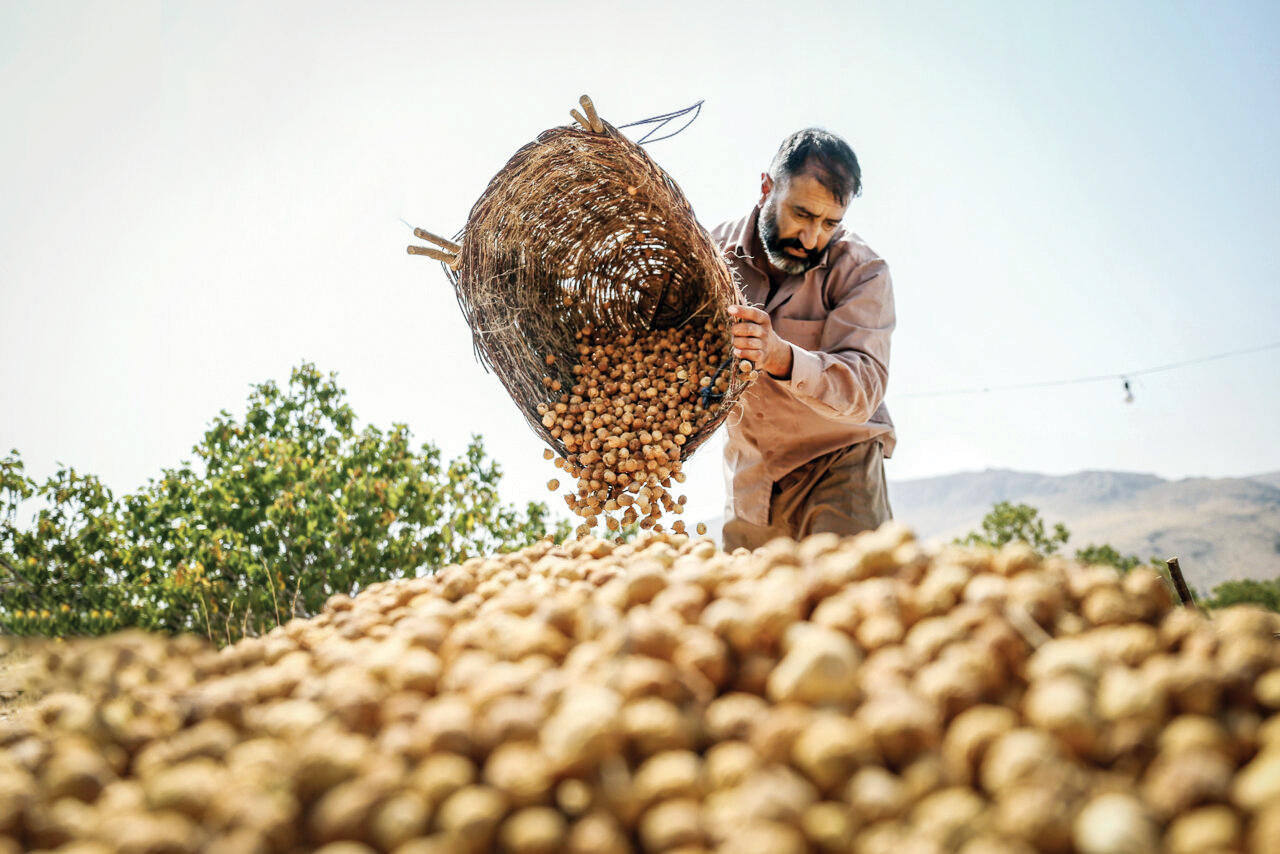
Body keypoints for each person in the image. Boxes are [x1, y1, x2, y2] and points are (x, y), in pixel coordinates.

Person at [711, 128, 895, 551]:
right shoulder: (713, 256)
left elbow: (863, 385)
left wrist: (779, 356)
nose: (812, 239)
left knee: (850, 608)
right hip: (751, 480)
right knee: (749, 612)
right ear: (765, 189)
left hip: (840, 469)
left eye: (830, 223)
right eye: (802, 214)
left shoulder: (862, 272)